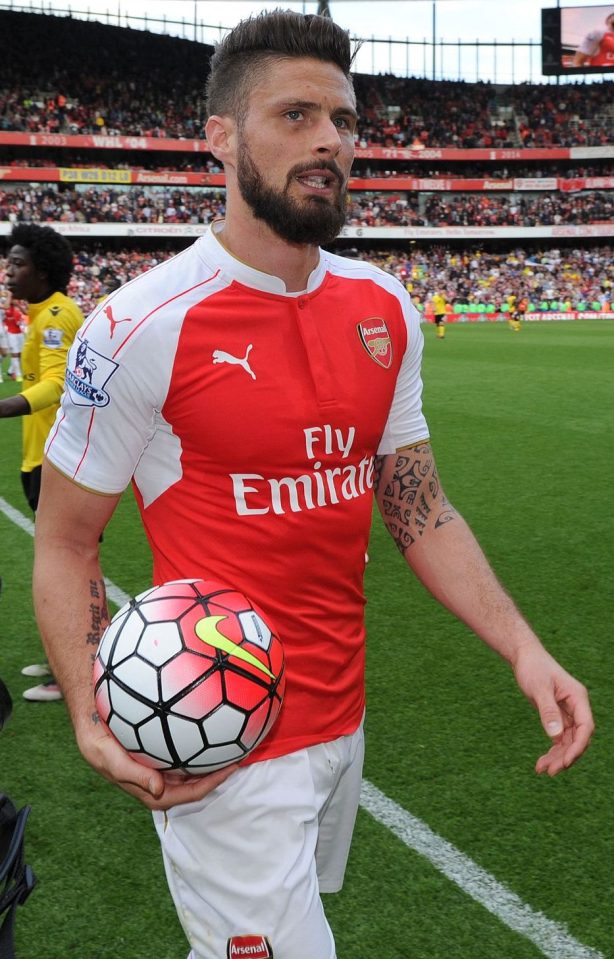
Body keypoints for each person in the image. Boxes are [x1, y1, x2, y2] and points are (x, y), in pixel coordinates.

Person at [32, 11, 593, 959]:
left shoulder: (383, 308)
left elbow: (421, 507)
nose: (331, 137)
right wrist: (92, 713)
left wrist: (524, 648)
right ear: (221, 136)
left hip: (344, 713)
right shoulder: (140, 325)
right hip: (220, 735)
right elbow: (66, 538)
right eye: (296, 114)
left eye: (343, 118)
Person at [0, 223, 84, 703]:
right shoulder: (42, 313)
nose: (9, 271)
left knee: (66, 566)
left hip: (60, 460)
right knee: (59, 563)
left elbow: (57, 383)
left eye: (18, 263)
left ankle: (75, 667)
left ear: (44, 270)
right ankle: (62, 658)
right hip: (44, 456)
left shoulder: (55, 315)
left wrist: (5, 406)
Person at [3, 295, 26, 381]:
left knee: (20, 354)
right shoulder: (7, 308)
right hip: (11, 333)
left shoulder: (18, 306)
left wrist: (19, 305)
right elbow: (6, 307)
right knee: (15, 354)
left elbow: (25, 313)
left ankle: (11, 371)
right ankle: (18, 375)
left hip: (19, 333)